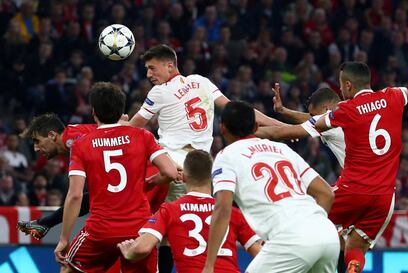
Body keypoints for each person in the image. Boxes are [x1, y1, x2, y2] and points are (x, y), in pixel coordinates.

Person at [127, 44, 281, 271]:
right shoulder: (202, 82)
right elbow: (236, 110)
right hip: (201, 168)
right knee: (201, 226)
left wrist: (116, 126)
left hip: (170, 165)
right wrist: (282, 127)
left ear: (170, 66)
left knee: (156, 229)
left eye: (152, 68)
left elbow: (134, 127)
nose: (149, 75)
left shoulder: (159, 92)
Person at [53, 82, 180, 273]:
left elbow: (76, 195)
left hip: (100, 230)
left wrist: (64, 239)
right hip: (138, 228)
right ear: (122, 111)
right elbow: (171, 172)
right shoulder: (143, 136)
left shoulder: (81, 144)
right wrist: (150, 182)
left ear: (93, 112)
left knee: (68, 269)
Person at [203, 101, 339, 273]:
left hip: (291, 238)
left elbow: (223, 209)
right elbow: (327, 194)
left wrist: (209, 265)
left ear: (222, 128)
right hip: (325, 232)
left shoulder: (226, 156)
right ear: (256, 126)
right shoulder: (283, 149)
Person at [314, 62, 408, 273]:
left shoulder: (345, 112)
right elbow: (405, 92)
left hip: (353, 190)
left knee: (307, 219)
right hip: (385, 197)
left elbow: (315, 124)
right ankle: (353, 268)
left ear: (348, 85)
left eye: (340, 85)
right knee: (356, 246)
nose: (340, 90)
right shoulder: (393, 96)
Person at [17, 114, 167, 239]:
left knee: (130, 232)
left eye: (37, 141)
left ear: (52, 135)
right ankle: (45, 223)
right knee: (155, 235)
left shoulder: (73, 141)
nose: (36, 148)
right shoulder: (74, 137)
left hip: (147, 174)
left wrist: (63, 237)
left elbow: (76, 196)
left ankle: (46, 223)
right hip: (150, 173)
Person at [117, 149, 262, 273]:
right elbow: (261, 255)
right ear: (212, 177)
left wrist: (129, 252)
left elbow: (142, 249)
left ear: (184, 177)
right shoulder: (230, 212)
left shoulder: (170, 210)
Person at [256, 85, 345, 167]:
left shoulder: (328, 119)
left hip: (356, 176)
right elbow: (309, 118)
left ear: (326, 109)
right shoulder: (347, 111)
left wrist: (247, 129)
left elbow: (277, 133)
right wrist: (282, 110)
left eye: (314, 115)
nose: (312, 118)